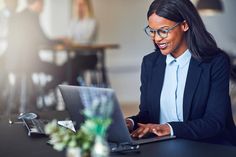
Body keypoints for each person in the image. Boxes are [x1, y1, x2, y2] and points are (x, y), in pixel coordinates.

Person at [126, 0, 236, 146]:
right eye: (152, 31)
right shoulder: (150, 63)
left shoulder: (216, 62)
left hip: (209, 146)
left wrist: (169, 128)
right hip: (166, 146)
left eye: (163, 30)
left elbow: (214, 122)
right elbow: (148, 114)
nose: (157, 38)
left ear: (185, 25)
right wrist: (130, 122)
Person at [62, 0, 98, 86]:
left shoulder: (92, 22)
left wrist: (72, 41)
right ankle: (47, 87)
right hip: (76, 56)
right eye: (77, 5)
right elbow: (69, 37)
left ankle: (73, 94)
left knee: (71, 67)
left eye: (82, 5)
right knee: (63, 68)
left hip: (89, 57)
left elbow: (87, 39)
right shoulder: (73, 22)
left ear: (87, 6)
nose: (79, 7)